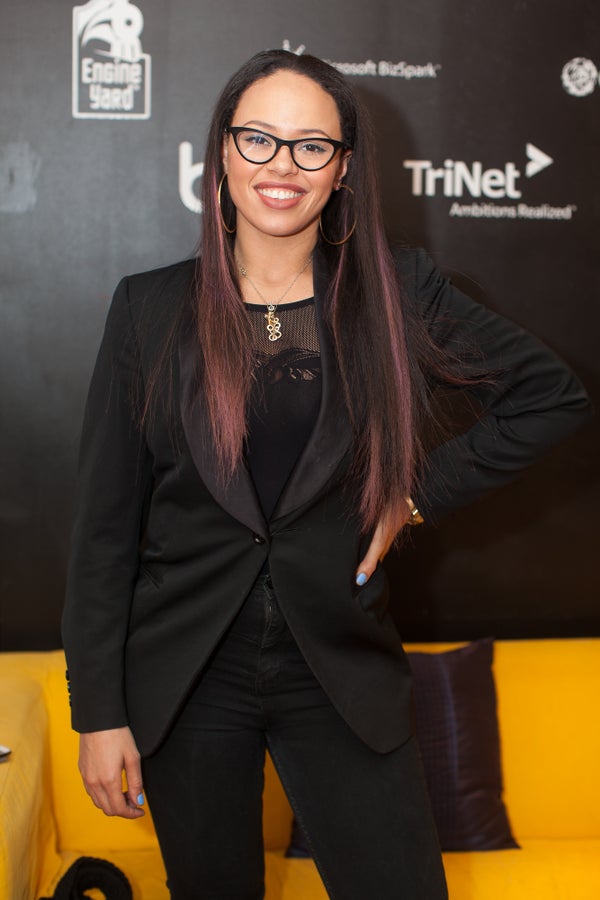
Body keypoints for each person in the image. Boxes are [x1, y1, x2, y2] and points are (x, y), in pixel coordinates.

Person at [62, 49, 590, 900]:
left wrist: (411, 498)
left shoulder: (397, 291)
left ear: (342, 168)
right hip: (186, 680)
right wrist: (98, 714)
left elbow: (549, 397)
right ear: (223, 150)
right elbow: (102, 532)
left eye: (311, 146)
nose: (283, 166)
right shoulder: (148, 310)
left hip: (341, 672)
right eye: (259, 139)